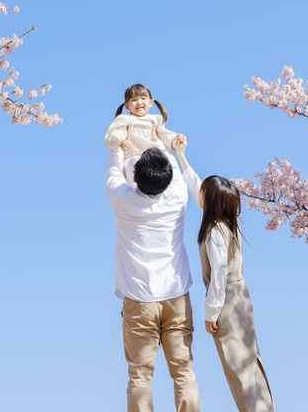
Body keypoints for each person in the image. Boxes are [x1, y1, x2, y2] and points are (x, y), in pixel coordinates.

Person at [176, 141, 275, 412]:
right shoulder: (229, 224)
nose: (200, 195)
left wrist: (211, 312)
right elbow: (197, 188)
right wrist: (182, 157)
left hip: (227, 300)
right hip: (242, 296)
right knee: (250, 361)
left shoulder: (213, 231)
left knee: (236, 366)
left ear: (211, 201)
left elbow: (218, 271)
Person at [106, 138, 201, 412]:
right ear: (169, 180)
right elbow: (169, 160)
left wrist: (117, 147)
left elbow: (113, 170)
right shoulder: (178, 196)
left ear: (134, 177)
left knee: (140, 376)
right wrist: (158, 136)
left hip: (139, 299)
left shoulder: (122, 200)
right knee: (184, 373)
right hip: (177, 297)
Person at [105, 84, 179, 183]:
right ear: (126, 105)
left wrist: (174, 141)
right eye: (134, 100)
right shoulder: (125, 119)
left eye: (143, 98)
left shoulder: (156, 119)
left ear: (150, 102)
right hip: (134, 155)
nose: (139, 102)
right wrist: (120, 140)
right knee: (133, 166)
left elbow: (164, 134)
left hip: (153, 156)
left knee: (162, 171)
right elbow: (112, 133)